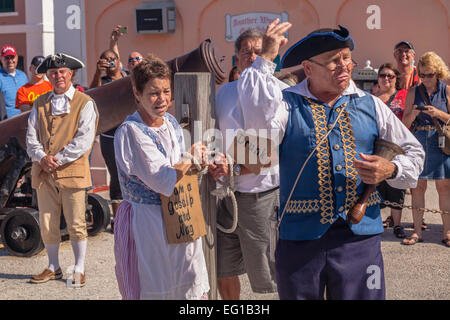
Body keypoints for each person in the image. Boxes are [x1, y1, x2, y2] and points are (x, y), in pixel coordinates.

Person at [236, 21, 425, 299]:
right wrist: (265, 58)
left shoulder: (370, 104)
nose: (345, 67)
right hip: (300, 241)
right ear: (309, 68)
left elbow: (415, 152)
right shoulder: (285, 103)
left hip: (360, 241)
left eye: (347, 59)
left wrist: (392, 169)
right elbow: (256, 122)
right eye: (333, 62)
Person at [113, 54, 210, 299]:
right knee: (158, 285)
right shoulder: (132, 132)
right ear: (137, 93)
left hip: (178, 213)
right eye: (154, 93)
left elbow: (179, 167)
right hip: (149, 222)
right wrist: (190, 156)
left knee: (187, 280)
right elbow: (162, 178)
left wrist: (200, 161)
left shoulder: (170, 122)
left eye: (166, 91)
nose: (162, 99)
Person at [211, 28, 283, 300]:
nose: (252, 56)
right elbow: (212, 137)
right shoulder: (222, 94)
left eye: (258, 51)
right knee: (222, 269)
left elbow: (271, 147)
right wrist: (215, 162)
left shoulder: (280, 92)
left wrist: (236, 167)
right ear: (237, 58)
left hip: (262, 196)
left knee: (271, 275)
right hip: (227, 197)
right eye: (246, 51)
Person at [26, 53, 98, 287]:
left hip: (73, 172)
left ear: (71, 74)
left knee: (76, 222)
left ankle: (79, 267)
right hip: (44, 174)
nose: (58, 76)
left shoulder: (85, 103)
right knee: (47, 222)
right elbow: (31, 137)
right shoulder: (39, 103)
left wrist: (55, 159)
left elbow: (83, 140)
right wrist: (40, 158)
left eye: (62, 72)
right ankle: (53, 266)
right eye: (53, 72)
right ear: (48, 75)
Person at [401, 51, 450, 247]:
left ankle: (447, 231)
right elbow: (404, 121)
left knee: (444, 187)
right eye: (422, 74)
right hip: (419, 140)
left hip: (441, 140)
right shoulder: (413, 92)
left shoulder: (446, 91)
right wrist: (412, 114)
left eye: (430, 74)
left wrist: (439, 113)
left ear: (438, 73)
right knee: (417, 187)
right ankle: (416, 231)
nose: (426, 79)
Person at [90, 49, 130, 232]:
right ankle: (118, 219)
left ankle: (130, 215)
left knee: (131, 173)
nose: (110, 62)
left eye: (113, 59)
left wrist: (114, 42)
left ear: (119, 60)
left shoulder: (127, 76)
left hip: (129, 133)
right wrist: (98, 72)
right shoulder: (103, 81)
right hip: (110, 135)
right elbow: (92, 94)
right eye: (106, 60)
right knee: (116, 174)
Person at [373, 63, 408, 238]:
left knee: (397, 184)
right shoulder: (371, 97)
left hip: (397, 147)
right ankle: (376, 223)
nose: (386, 78)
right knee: (375, 184)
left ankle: (397, 224)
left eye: (390, 76)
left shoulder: (404, 95)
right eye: (383, 75)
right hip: (376, 146)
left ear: (396, 79)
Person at [0, 45, 28, 118]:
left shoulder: (23, 75)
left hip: (24, 119)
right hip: (7, 122)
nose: (10, 61)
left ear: (17, 58)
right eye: (6, 58)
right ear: (1, 59)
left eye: (12, 57)